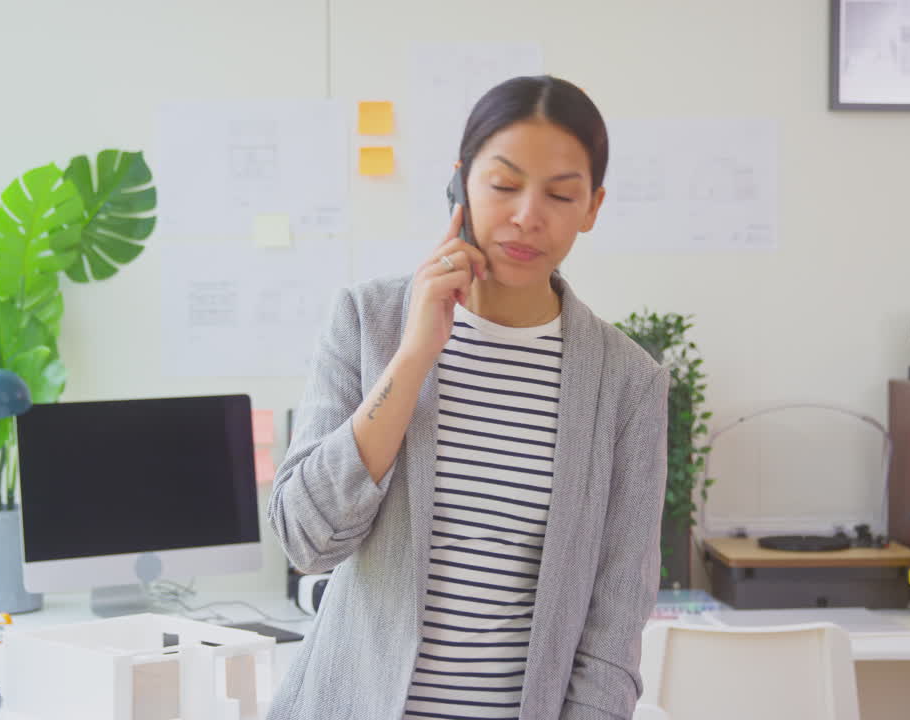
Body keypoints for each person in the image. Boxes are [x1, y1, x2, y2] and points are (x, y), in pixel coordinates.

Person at [267, 75, 668, 720]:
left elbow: (616, 621)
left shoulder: (628, 385)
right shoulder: (369, 322)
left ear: (593, 207)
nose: (527, 215)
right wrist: (415, 354)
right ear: (460, 182)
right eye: (504, 185)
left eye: (561, 194)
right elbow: (307, 539)